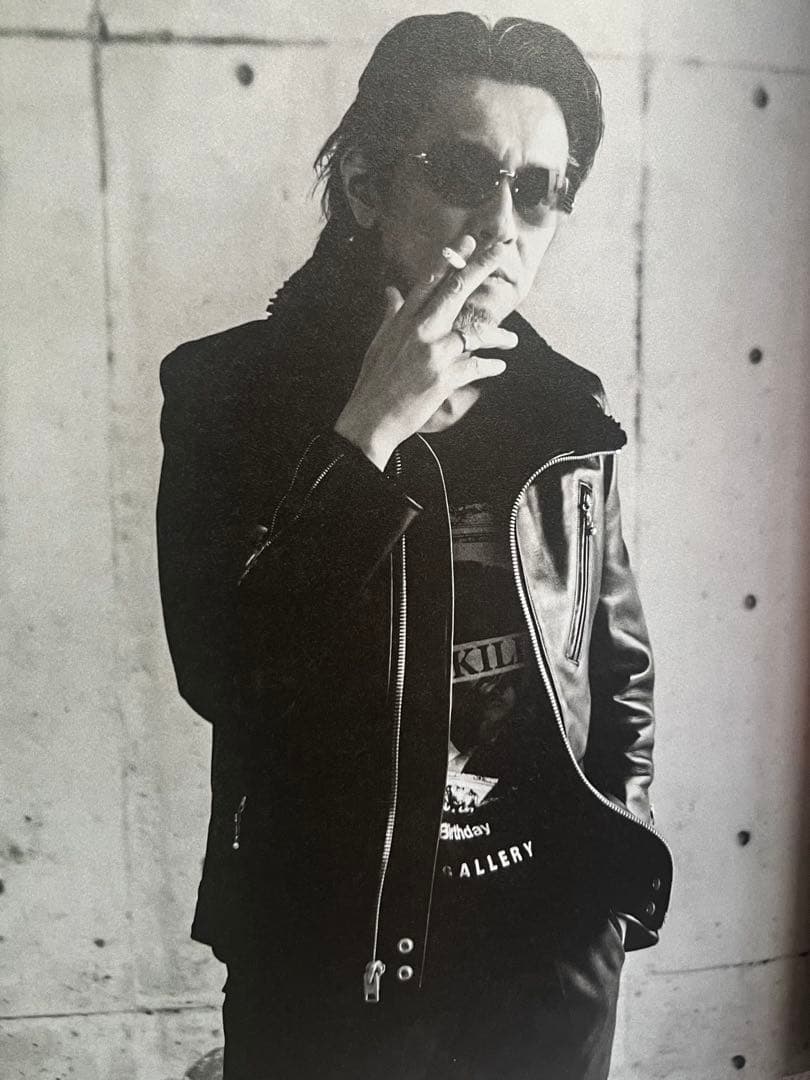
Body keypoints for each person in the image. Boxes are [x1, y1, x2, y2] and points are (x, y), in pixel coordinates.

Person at [156, 12, 673, 1079]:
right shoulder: (230, 395)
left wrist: (609, 901)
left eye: (540, 189)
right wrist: (369, 430)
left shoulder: (568, 416)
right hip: (326, 960)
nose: (502, 224)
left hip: (547, 964)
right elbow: (222, 670)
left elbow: (618, 671)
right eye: (465, 173)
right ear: (365, 185)